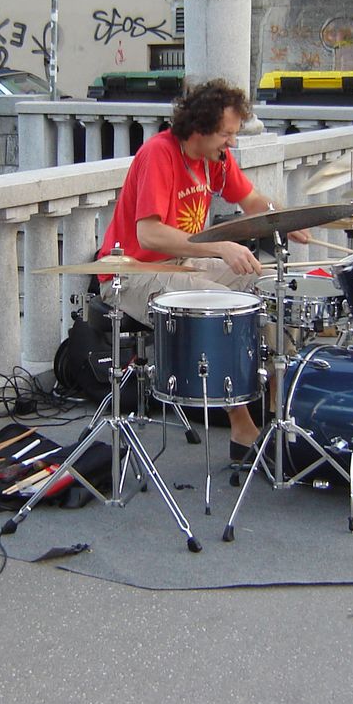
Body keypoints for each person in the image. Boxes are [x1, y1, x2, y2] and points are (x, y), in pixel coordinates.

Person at [95, 78, 309, 452]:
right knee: (221, 304)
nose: (232, 143)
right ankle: (241, 427)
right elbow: (149, 235)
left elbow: (254, 202)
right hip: (131, 273)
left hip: (181, 262)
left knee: (272, 293)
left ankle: (278, 415)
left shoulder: (216, 160)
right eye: (226, 134)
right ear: (199, 127)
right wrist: (219, 247)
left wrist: (288, 220)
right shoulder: (159, 154)